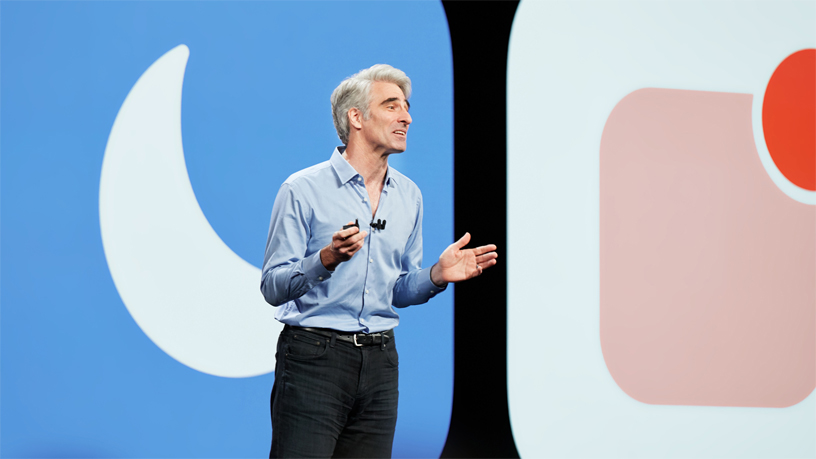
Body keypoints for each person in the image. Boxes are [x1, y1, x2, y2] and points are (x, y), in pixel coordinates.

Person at [260, 64, 497, 458]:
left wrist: (436, 275)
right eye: (391, 106)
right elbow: (272, 286)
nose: (406, 117)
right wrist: (325, 259)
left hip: (381, 363)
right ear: (356, 117)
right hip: (313, 359)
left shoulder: (409, 196)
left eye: (406, 107)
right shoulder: (302, 189)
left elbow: (398, 290)